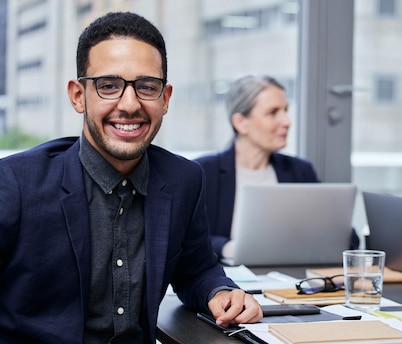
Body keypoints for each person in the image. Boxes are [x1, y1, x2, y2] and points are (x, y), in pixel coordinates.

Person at [0, 12, 262, 343]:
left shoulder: (183, 179)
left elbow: (196, 270)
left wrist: (220, 292)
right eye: (108, 86)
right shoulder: (15, 184)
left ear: (165, 99)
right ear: (78, 95)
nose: (129, 104)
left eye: (146, 87)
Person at [195, 75, 359, 259]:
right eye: (273, 112)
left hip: (289, 276)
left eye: (285, 110)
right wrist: (230, 248)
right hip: (229, 277)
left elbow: (349, 239)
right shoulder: (203, 171)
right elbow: (188, 239)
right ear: (241, 122)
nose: (286, 121)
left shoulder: (300, 171)